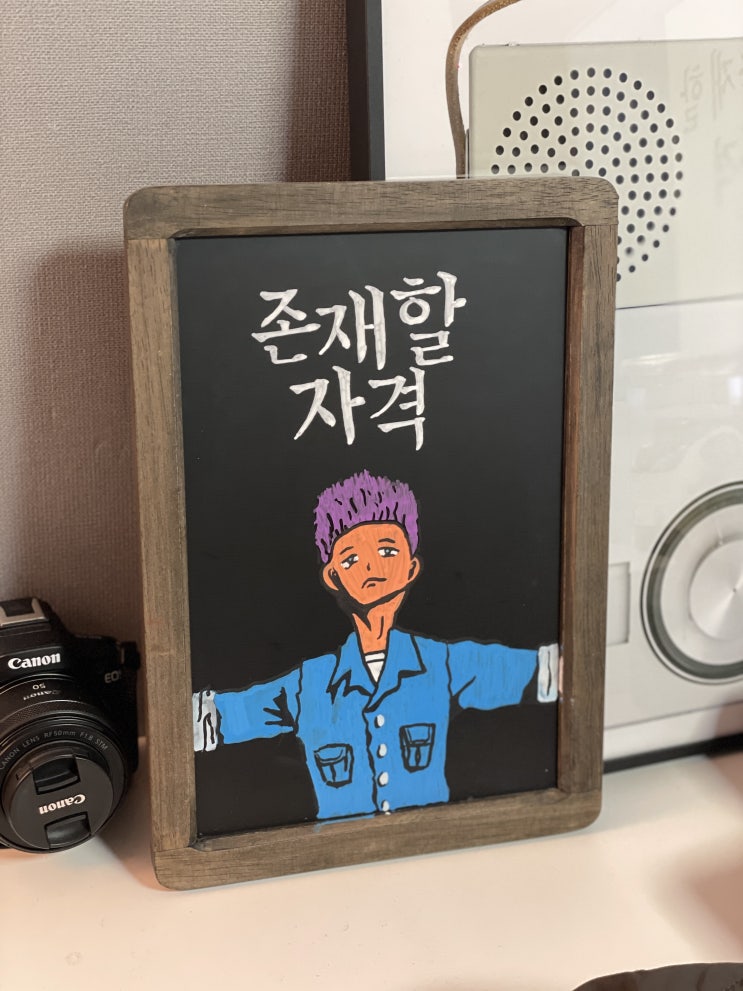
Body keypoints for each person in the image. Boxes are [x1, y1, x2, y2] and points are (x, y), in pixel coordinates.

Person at [193, 470, 557, 821]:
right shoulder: (310, 685)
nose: (370, 566)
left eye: (386, 551)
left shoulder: (442, 665)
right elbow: (218, 719)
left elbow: (544, 673)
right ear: (333, 576)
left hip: (429, 845)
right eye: (351, 558)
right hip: (338, 853)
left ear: (411, 567)